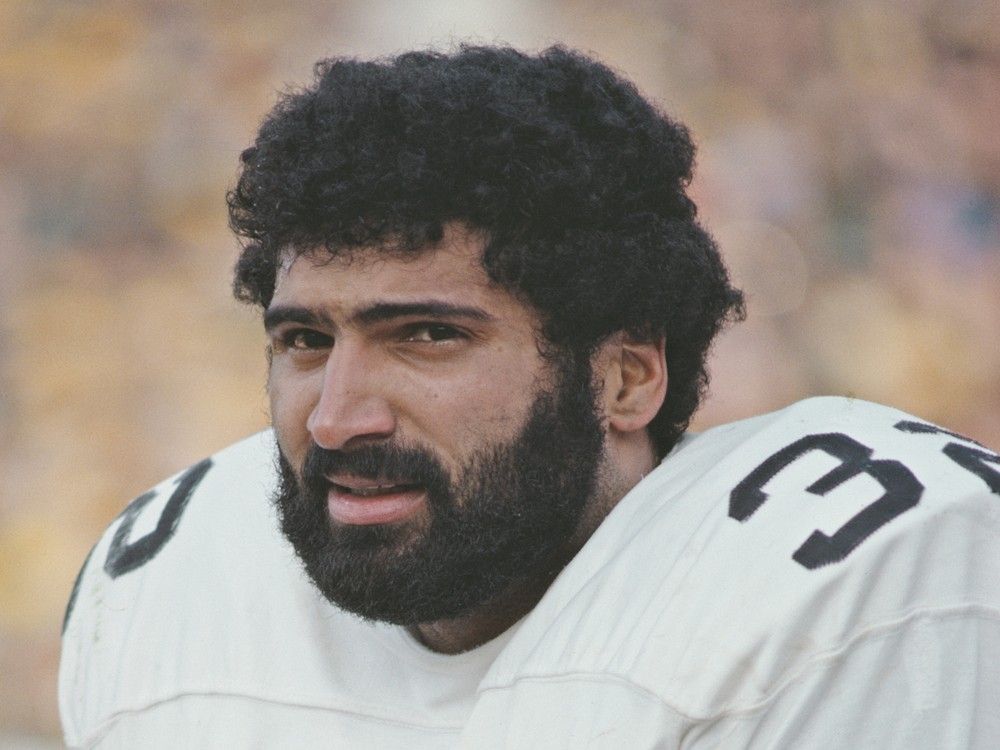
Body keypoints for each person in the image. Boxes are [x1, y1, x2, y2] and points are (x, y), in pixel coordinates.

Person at [59, 45, 1000, 748]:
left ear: (625, 377)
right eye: (306, 340)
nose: (338, 415)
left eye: (428, 336)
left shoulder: (856, 584)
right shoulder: (177, 585)